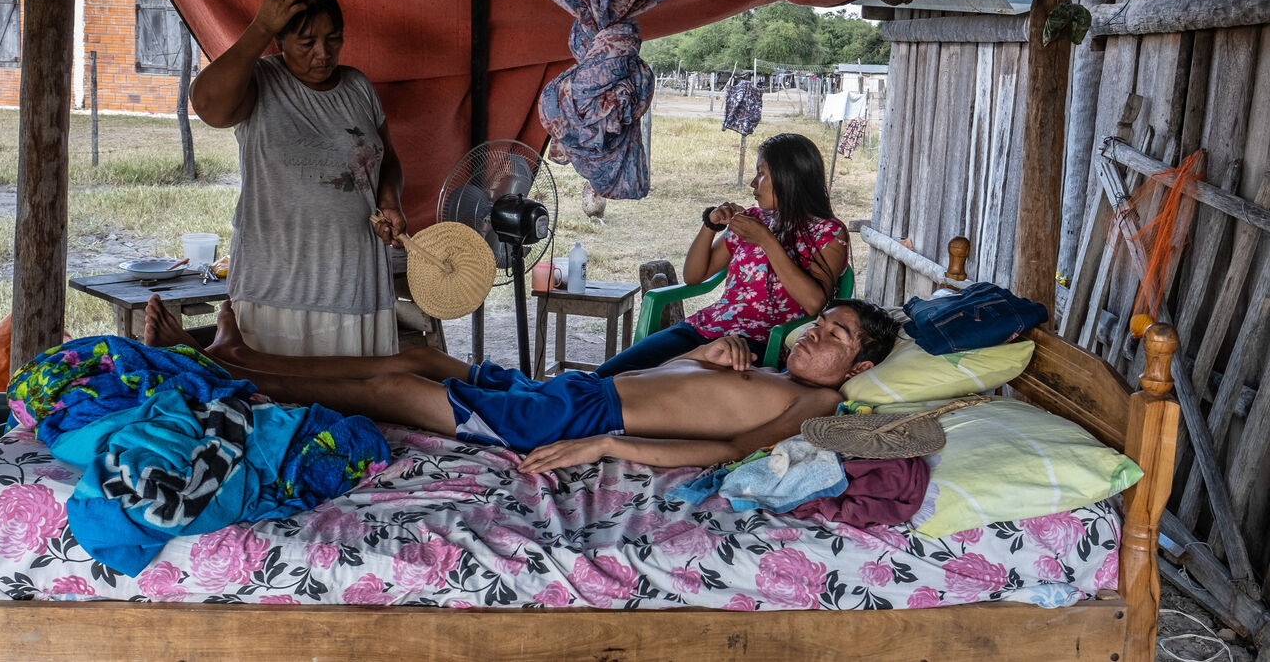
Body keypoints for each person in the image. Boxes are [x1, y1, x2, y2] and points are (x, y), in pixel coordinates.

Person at [144, 295, 899, 472]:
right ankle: (240, 355)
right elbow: (679, 389)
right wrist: (704, 355)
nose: (815, 334)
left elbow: (730, 447)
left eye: (836, 337)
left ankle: (220, 366)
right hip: (572, 390)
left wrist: (605, 446)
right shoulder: (770, 367)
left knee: (390, 387)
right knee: (421, 356)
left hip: (575, 417)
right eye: (820, 322)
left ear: (860, 369)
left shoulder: (818, 401)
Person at [189, 0, 405, 357]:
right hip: (278, 288)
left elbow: (386, 158)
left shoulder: (358, 87)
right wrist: (260, 26)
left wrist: (390, 199)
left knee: (356, 390)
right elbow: (206, 105)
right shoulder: (258, 80)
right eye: (307, 43)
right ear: (280, 40)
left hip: (355, 283)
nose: (323, 53)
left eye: (333, 39)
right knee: (278, 390)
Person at [597, 133, 848, 377]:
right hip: (706, 328)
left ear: (789, 178)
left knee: (660, 384)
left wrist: (766, 241)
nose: (753, 183)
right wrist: (710, 224)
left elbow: (814, 303)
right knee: (609, 374)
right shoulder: (754, 219)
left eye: (761, 173)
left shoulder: (829, 232)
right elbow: (694, 276)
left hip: (757, 343)